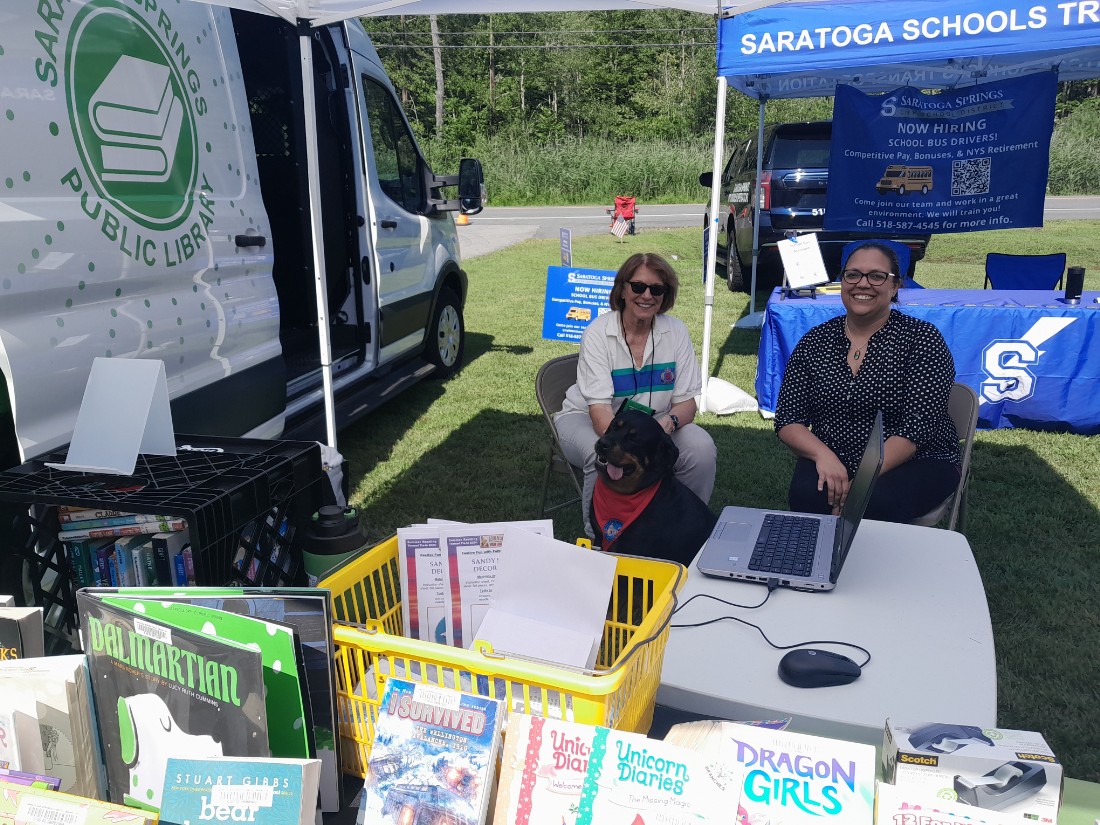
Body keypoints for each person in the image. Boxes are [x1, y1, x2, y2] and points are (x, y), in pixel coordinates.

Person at [773, 240, 961, 523]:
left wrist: (858, 482)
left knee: (874, 503)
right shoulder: (816, 341)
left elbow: (917, 429)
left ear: (895, 286)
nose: (862, 284)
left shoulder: (922, 340)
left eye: (876, 276)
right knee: (807, 495)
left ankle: (876, 567)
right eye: (853, 275)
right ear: (842, 281)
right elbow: (788, 419)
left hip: (915, 458)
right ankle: (821, 565)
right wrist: (823, 456)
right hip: (833, 453)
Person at [555, 252, 717, 535]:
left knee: (701, 448)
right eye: (638, 286)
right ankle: (598, 540)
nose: (647, 295)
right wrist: (639, 446)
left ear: (665, 295)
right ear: (623, 289)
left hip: (655, 424)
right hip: (584, 418)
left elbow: (687, 405)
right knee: (602, 457)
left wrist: (664, 427)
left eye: (657, 289)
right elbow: (599, 414)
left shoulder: (676, 331)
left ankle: (685, 527)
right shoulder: (597, 332)